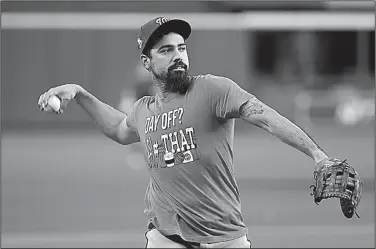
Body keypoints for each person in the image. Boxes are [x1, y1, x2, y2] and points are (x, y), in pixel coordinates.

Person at [38, 17, 331, 248]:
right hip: (165, 239)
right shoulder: (144, 110)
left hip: (225, 240)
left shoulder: (213, 90)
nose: (177, 55)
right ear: (147, 63)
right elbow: (118, 127)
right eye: (166, 50)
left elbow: (267, 117)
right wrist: (79, 93)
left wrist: (317, 154)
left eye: (181, 47)